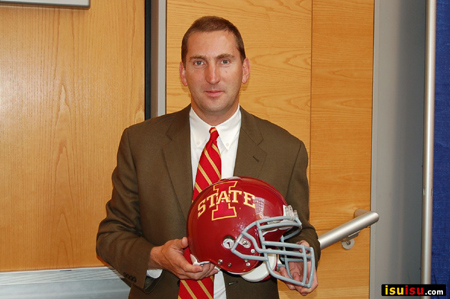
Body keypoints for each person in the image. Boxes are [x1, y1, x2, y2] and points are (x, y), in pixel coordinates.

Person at [96, 16, 320, 299]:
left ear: (245, 69)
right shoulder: (140, 143)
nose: (212, 77)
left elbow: (300, 231)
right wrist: (156, 257)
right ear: (183, 72)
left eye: (225, 61)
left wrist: (299, 257)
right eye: (199, 62)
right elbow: (111, 237)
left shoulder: (286, 149)